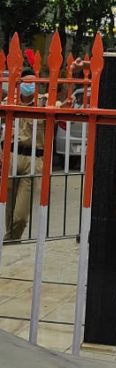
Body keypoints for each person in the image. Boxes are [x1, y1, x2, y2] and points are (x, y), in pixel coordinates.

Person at [2, 72, 44, 242]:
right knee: (8, 207)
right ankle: (11, 242)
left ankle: (10, 240)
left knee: (20, 214)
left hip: (33, 159)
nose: (29, 86)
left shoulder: (44, 102)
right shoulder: (8, 102)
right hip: (11, 156)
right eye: (26, 82)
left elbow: (64, 106)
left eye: (33, 83)